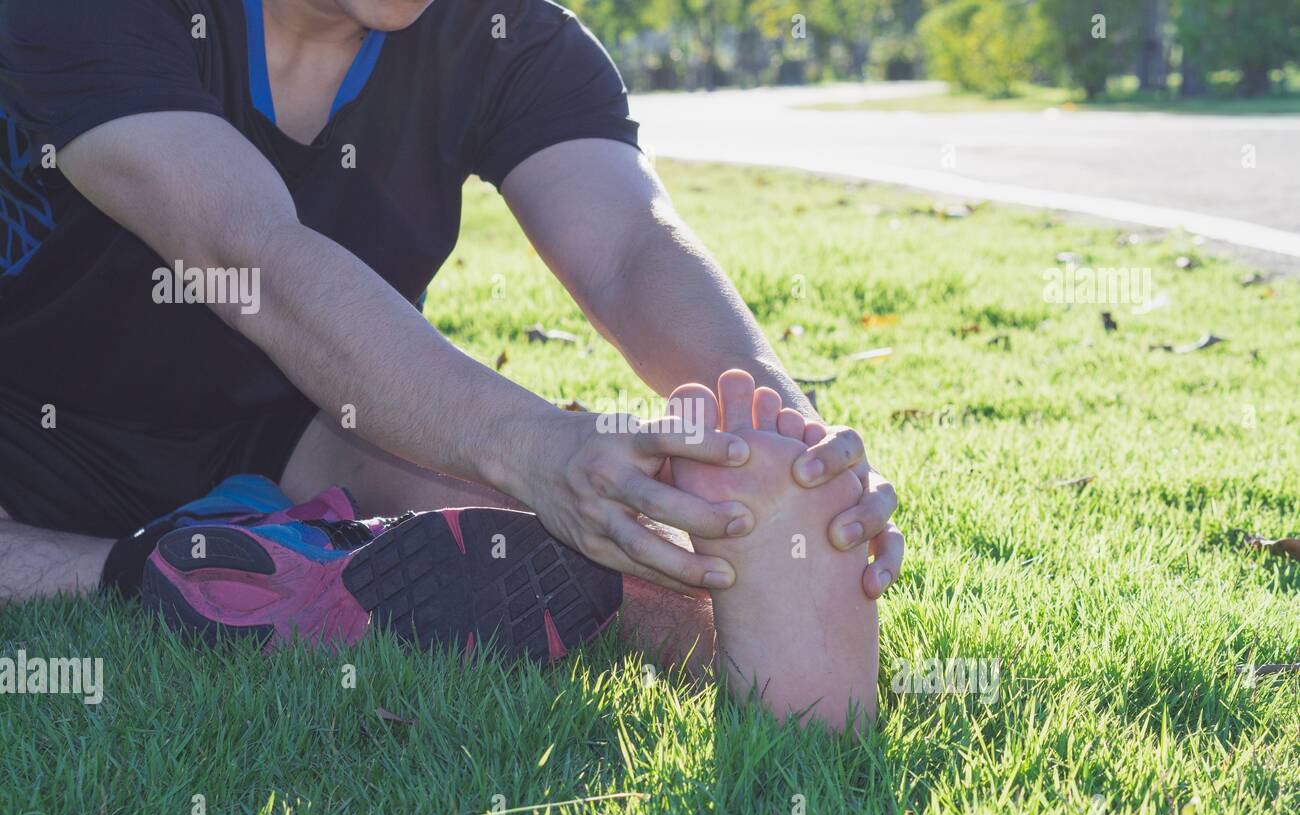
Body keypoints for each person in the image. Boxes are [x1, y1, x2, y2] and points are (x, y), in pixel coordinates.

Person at [0, 0, 902, 713]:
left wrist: (791, 447)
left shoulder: (512, 39)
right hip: (22, 423)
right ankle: (158, 567)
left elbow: (631, 245)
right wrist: (532, 442)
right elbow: (247, 253)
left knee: (626, 563)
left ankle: (276, 553)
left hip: (291, 425)